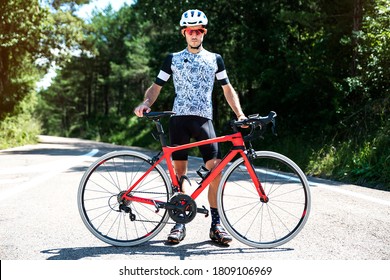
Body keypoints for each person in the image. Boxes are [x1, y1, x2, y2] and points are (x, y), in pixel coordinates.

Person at [134, 9, 246, 245]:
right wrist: (145, 103)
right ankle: (179, 223)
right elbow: (156, 87)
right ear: (184, 33)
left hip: (204, 119)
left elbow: (227, 89)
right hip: (179, 119)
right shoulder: (172, 58)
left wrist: (240, 114)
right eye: (190, 31)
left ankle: (216, 225)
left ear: (203, 33)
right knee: (180, 174)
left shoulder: (215, 59)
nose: (194, 35)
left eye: (198, 31)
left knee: (216, 170)